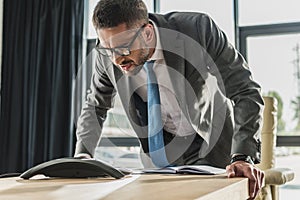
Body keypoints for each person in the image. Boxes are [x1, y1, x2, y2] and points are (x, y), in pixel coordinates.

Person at [74, 0, 264, 199]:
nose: (116, 59)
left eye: (123, 48)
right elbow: (95, 106)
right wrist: (83, 156)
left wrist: (242, 156)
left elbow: (246, 91)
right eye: (107, 49)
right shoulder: (108, 56)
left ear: (147, 32)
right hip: (159, 153)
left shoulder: (198, 29)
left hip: (209, 142)